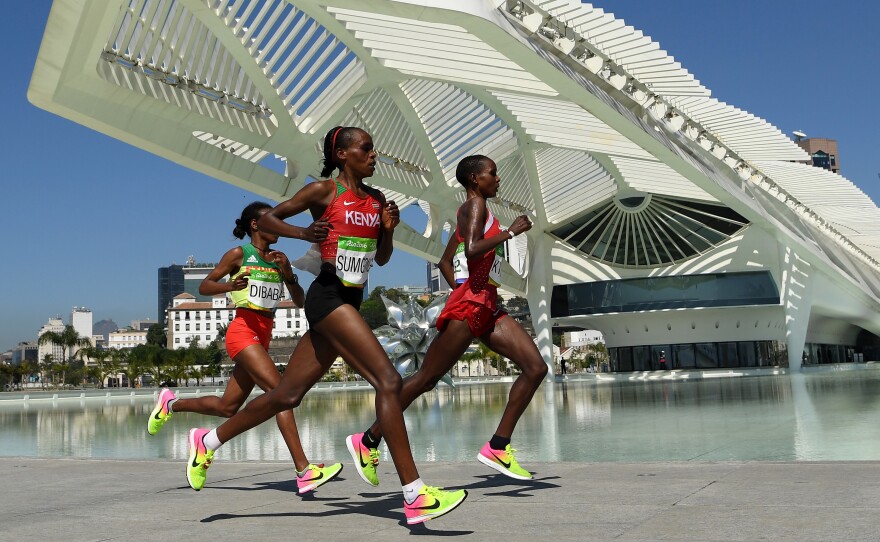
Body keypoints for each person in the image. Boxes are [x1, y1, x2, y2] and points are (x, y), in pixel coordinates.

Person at [184, 127, 467, 525]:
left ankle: (207, 441)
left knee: (286, 395)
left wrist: (386, 230)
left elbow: (381, 260)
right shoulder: (323, 192)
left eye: (373, 147)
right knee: (388, 381)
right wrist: (303, 232)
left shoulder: (377, 200)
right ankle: (413, 493)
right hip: (328, 297)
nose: (374, 154)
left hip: (349, 301)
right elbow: (268, 218)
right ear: (342, 154)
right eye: (366, 148)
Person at [346, 155, 547, 485]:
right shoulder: (474, 208)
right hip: (472, 306)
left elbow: (444, 261)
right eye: (491, 174)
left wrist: (464, 285)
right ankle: (367, 440)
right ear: (474, 180)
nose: (498, 179)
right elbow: (471, 250)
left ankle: (498, 445)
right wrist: (511, 233)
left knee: (536, 368)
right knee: (426, 378)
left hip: (486, 304)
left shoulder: (474, 212)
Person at [147, 202, 342, 494]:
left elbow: (300, 301)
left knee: (228, 407)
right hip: (242, 331)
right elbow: (205, 287)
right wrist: (231, 286)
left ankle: (171, 404)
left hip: (264, 334)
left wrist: (288, 274)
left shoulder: (279, 258)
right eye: (271, 220)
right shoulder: (240, 254)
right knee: (281, 395)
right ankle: (303, 470)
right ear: (255, 225)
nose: (278, 226)